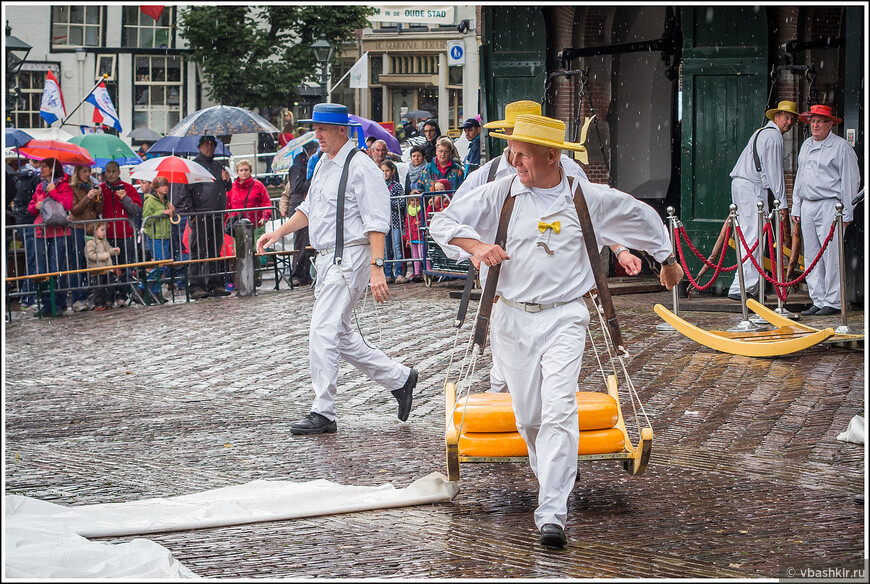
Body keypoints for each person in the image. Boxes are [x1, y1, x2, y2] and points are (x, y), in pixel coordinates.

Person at [429, 114, 683, 549]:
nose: (513, 160)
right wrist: (477, 247)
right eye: (511, 151)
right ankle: (550, 468)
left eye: (522, 154)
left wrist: (667, 259)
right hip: (511, 318)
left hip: (565, 317)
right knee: (529, 417)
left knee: (560, 410)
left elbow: (640, 217)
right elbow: (443, 223)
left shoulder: (587, 196)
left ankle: (552, 513)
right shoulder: (500, 193)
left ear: (552, 156)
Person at [256, 103, 418, 435]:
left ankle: (324, 411)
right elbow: (308, 209)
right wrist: (278, 232)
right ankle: (400, 379)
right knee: (340, 336)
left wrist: (376, 267)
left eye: (323, 129)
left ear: (342, 130)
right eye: (315, 128)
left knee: (322, 330)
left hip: (352, 256)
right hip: (329, 258)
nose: (317, 135)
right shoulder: (325, 165)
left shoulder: (362, 168)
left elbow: (377, 221)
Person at [791, 104, 861, 316]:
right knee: (811, 254)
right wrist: (796, 205)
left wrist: (848, 210)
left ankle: (833, 300)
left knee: (831, 254)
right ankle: (818, 299)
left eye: (820, 121)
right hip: (808, 204)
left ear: (830, 124)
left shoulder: (841, 147)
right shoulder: (806, 146)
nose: (815, 125)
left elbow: (851, 180)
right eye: (813, 121)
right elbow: (800, 177)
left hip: (830, 203)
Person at [726, 100, 798, 300]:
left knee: (750, 236)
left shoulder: (761, 133)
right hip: (752, 187)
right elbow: (775, 173)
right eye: (786, 117)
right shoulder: (773, 136)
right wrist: (782, 203)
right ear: (776, 117)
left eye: (792, 119)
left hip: (744, 185)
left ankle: (749, 286)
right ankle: (743, 287)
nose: (789, 122)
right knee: (754, 237)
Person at [176, 135, 232, 300]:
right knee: (198, 252)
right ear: (200, 147)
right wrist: (191, 214)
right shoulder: (192, 167)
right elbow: (184, 192)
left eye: (212, 145)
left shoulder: (218, 166)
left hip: (216, 215)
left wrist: (226, 181)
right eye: (206, 145)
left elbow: (226, 188)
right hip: (200, 215)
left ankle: (214, 284)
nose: (209, 148)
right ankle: (195, 286)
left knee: (215, 251)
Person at [27, 159, 74, 317]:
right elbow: (30, 207)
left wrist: (53, 192)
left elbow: (67, 205)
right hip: (41, 231)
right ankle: (47, 303)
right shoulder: (40, 186)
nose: (41, 169)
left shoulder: (64, 186)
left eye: (45, 166)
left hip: (58, 232)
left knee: (57, 268)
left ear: (53, 169)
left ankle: (59, 303)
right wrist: (36, 206)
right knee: (43, 270)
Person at [99, 160, 143, 307]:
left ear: (118, 172)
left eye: (113, 171)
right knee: (109, 269)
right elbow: (96, 209)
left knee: (125, 267)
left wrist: (124, 198)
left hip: (126, 234)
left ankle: (122, 295)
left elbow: (136, 209)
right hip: (108, 235)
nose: (110, 174)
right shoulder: (101, 189)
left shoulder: (128, 188)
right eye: (108, 171)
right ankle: (109, 296)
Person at [279, 139, 319, 286]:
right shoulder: (297, 166)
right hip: (299, 205)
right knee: (301, 243)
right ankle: (297, 274)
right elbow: (296, 187)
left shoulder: (305, 165)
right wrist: (314, 180)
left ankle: (306, 273)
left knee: (308, 241)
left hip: (305, 205)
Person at [68, 165, 103, 311]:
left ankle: (87, 295)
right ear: (77, 173)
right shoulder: (73, 188)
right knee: (77, 263)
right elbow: (74, 210)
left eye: (88, 171)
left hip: (90, 229)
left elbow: (98, 211)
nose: (86, 174)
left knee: (88, 263)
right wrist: (87, 198)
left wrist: (98, 198)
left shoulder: (91, 187)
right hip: (77, 228)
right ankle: (77, 298)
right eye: (83, 171)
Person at [11, 159, 43, 309]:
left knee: (32, 258)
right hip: (30, 221)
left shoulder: (19, 176)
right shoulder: (33, 178)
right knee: (33, 258)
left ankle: (29, 296)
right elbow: (34, 203)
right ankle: (28, 297)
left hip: (22, 220)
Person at [139, 176, 174, 302]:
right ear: (156, 187)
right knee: (160, 265)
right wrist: (162, 212)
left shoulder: (166, 200)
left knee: (164, 265)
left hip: (165, 235)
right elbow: (147, 218)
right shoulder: (150, 200)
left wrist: (171, 211)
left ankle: (154, 292)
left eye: (166, 185)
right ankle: (142, 287)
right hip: (155, 236)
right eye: (162, 185)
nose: (165, 187)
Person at [380, 159, 406, 284]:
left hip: (395, 221)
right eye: (382, 171)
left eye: (387, 171)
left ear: (392, 171)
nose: (385, 173)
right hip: (384, 221)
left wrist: (388, 201)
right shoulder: (378, 185)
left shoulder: (397, 186)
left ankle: (399, 273)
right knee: (385, 249)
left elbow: (401, 203)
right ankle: (387, 273)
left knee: (397, 247)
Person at [85, 221, 121, 311]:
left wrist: (114, 250)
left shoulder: (104, 242)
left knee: (109, 286)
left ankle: (108, 301)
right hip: (97, 269)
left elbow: (108, 250)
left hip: (107, 268)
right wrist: (102, 256)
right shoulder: (90, 243)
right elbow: (90, 255)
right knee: (98, 288)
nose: (104, 232)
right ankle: (99, 303)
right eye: (102, 230)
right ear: (94, 231)